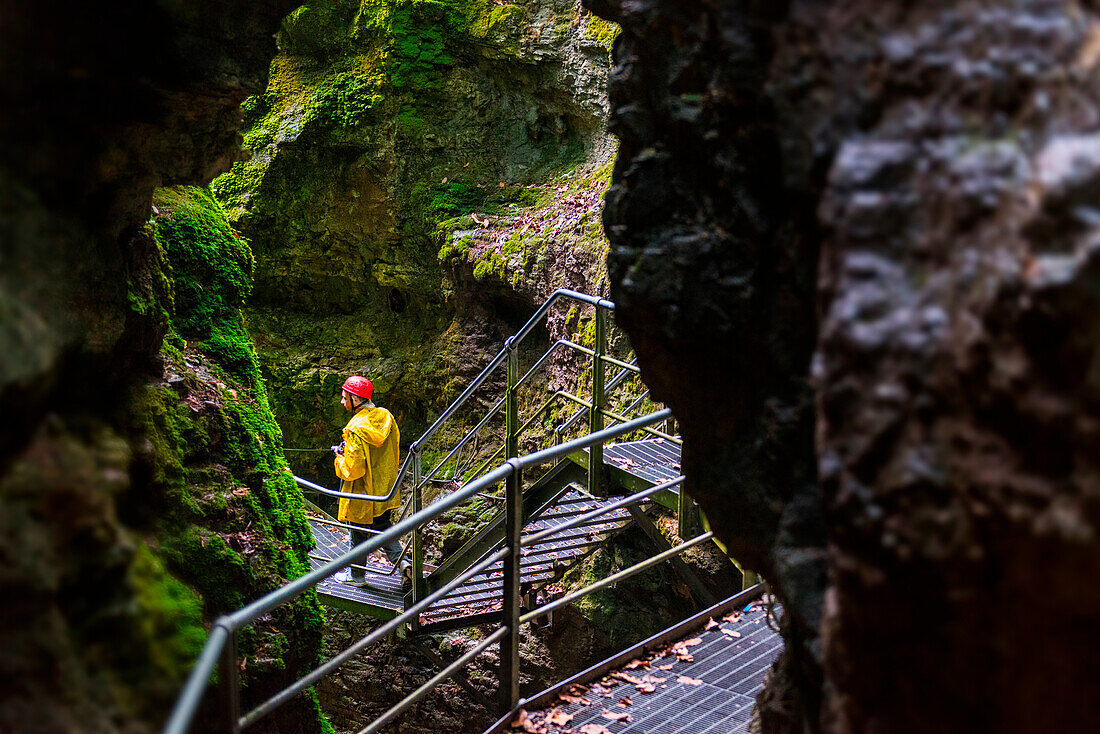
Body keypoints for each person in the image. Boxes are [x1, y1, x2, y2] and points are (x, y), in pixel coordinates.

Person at [332, 375, 411, 590]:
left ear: (355, 399)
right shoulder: (386, 416)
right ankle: (404, 564)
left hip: (362, 493)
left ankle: (356, 576)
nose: (342, 402)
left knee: (357, 535)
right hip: (384, 489)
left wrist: (339, 458)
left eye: (344, 397)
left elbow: (353, 469)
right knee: (383, 529)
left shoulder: (355, 428)